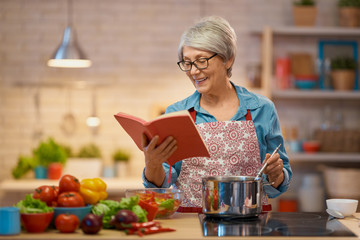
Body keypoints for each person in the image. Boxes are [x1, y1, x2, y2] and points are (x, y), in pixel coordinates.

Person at [142, 16, 292, 211]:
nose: (194, 71)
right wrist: (152, 164)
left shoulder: (261, 109)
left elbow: (279, 183)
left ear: (228, 59)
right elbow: (161, 184)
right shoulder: (177, 113)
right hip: (192, 224)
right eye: (187, 63)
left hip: (248, 222)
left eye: (201, 61)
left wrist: (276, 174)